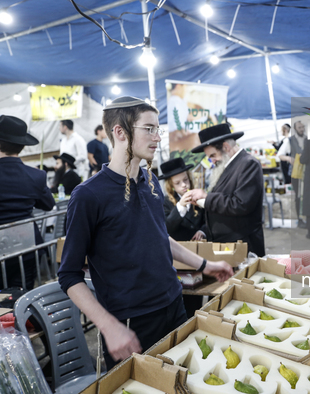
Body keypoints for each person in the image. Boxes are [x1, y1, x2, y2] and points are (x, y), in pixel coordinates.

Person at [58, 96, 234, 370]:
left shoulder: (150, 181)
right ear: (120, 132)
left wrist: (207, 265)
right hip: (132, 322)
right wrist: (108, 326)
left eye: (157, 129)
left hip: (174, 305)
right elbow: (69, 275)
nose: (157, 137)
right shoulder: (88, 195)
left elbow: (159, 237)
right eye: (148, 129)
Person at [188, 123, 266, 257]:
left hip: (243, 245)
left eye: (213, 155)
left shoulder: (248, 164)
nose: (212, 161)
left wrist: (206, 198)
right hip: (226, 244)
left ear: (226, 147)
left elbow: (240, 204)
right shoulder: (225, 165)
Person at [0, 115, 55, 290]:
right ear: (22, 146)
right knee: (23, 294)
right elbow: (48, 204)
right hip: (27, 246)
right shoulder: (36, 176)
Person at [159, 157, 207, 242]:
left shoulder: (198, 196)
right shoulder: (165, 202)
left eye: (185, 180)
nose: (184, 185)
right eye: (177, 183)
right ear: (171, 186)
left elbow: (208, 220)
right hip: (178, 250)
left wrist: (202, 231)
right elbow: (166, 228)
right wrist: (180, 206)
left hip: (200, 247)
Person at [278, 120, 306, 228]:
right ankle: (300, 219)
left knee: (306, 196)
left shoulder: (308, 138)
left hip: (307, 172)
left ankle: (307, 218)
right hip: (296, 172)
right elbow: (280, 155)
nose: (302, 129)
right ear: (295, 129)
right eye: (299, 127)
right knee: (298, 195)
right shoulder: (289, 141)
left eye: (302, 127)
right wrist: (289, 158)